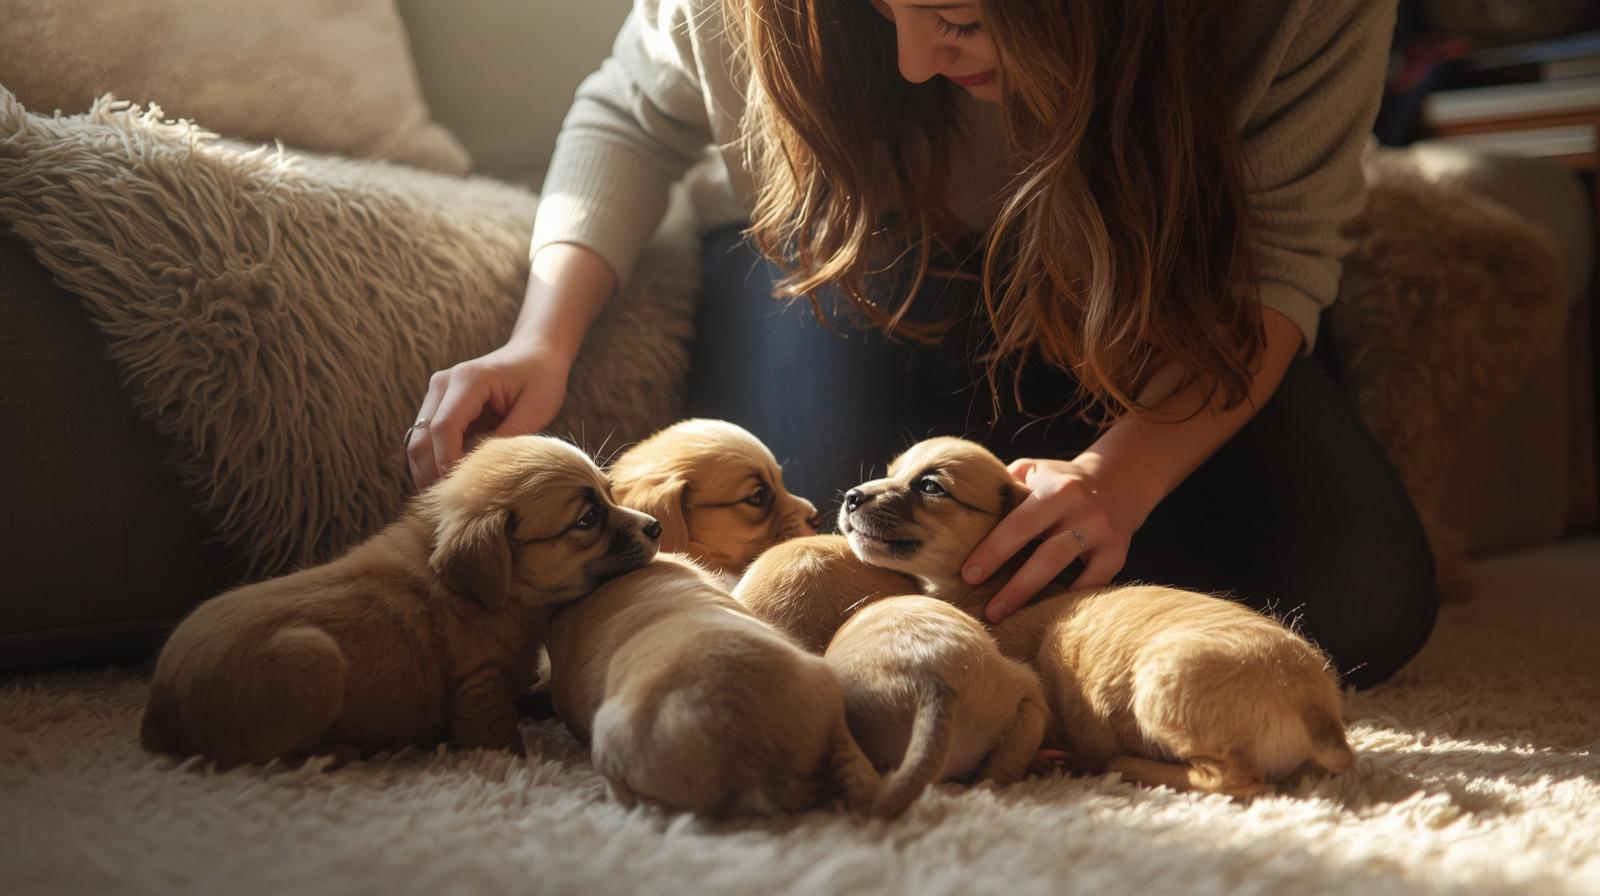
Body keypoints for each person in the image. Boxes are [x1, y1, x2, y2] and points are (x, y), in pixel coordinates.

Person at [407, 0, 1435, 688]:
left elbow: (1279, 259)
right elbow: (631, 113)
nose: (907, 63)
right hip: (847, 252)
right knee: (808, 571)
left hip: (1141, 287)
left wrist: (1118, 479)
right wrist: (540, 341)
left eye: (952, 16)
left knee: (1360, 598)